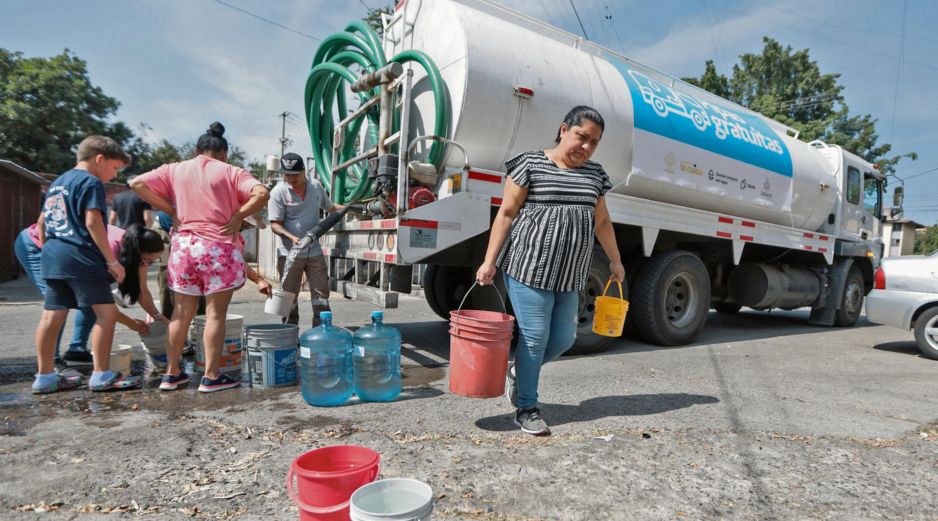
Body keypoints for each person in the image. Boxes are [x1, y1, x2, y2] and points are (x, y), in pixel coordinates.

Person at [476, 106, 625, 436]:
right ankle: (527, 407)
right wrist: (489, 261)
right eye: (581, 137)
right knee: (534, 339)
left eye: (594, 143)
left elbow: (601, 220)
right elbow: (506, 215)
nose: (585, 148)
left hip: (570, 276)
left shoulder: (595, 175)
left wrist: (615, 259)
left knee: (563, 338)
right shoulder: (530, 164)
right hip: (528, 269)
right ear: (563, 129)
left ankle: (519, 373)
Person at [131, 122, 270, 393]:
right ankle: (211, 376)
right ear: (224, 153)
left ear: (197, 150)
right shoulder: (231, 171)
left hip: (183, 247)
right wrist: (238, 216)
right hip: (217, 246)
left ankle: (172, 374)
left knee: (181, 314)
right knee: (216, 315)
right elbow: (261, 193)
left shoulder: (174, 169)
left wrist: (170, 209)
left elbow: (136, 183)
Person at [32, 135, 144, 393]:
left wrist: (52, 250)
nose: (112, 174)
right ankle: (102, 375)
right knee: (105, 313)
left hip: (53, 255)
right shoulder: (90, 181)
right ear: (99, 159)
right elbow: (93, 223)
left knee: (52, 316)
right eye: (114, 168)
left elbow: (41, 224)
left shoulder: (57, 183)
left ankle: (45, 377)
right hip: (82, 256)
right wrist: (111, 260)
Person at [15, 221, 167, 368]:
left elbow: (142, 290)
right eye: (146, 259)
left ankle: (77, 349)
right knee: (58, 308)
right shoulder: (111, 251)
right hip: (38, 244)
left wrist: (156, 315)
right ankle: (52, 362)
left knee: (88, 302)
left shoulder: (137, 252)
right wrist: (131, 323)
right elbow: (99, 305)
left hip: (73, 252)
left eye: (152, 261)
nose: (147, 264)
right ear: (136, 252)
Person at [268, 153, 344, 327]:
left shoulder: (316, 186)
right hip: (290, 253)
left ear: (303, 171)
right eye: (287, 174)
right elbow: (275, 224)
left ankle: (321, 333)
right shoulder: (278, 192)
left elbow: (330, 207)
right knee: (289, 296)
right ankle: (290, 335)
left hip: (314, 251)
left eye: (295, 174)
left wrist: (350, 208)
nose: (291, 178)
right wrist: (291, 237)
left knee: (321, 294)